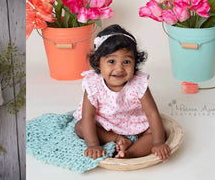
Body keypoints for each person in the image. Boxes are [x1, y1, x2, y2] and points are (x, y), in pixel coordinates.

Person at [73, 24, 170, 161]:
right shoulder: (93, 84)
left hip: (133, 121)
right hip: (104, 123)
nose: (119, 69)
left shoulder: (138, 84)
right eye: (111, 61)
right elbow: (88, 117)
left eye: (126, 62)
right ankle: (118, 139)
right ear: (97, 62)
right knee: (80, 126)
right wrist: (93, 145)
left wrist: (159, 142)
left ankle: (129, 154)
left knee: (158, 133)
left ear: (135, 63)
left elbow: (152, 114)